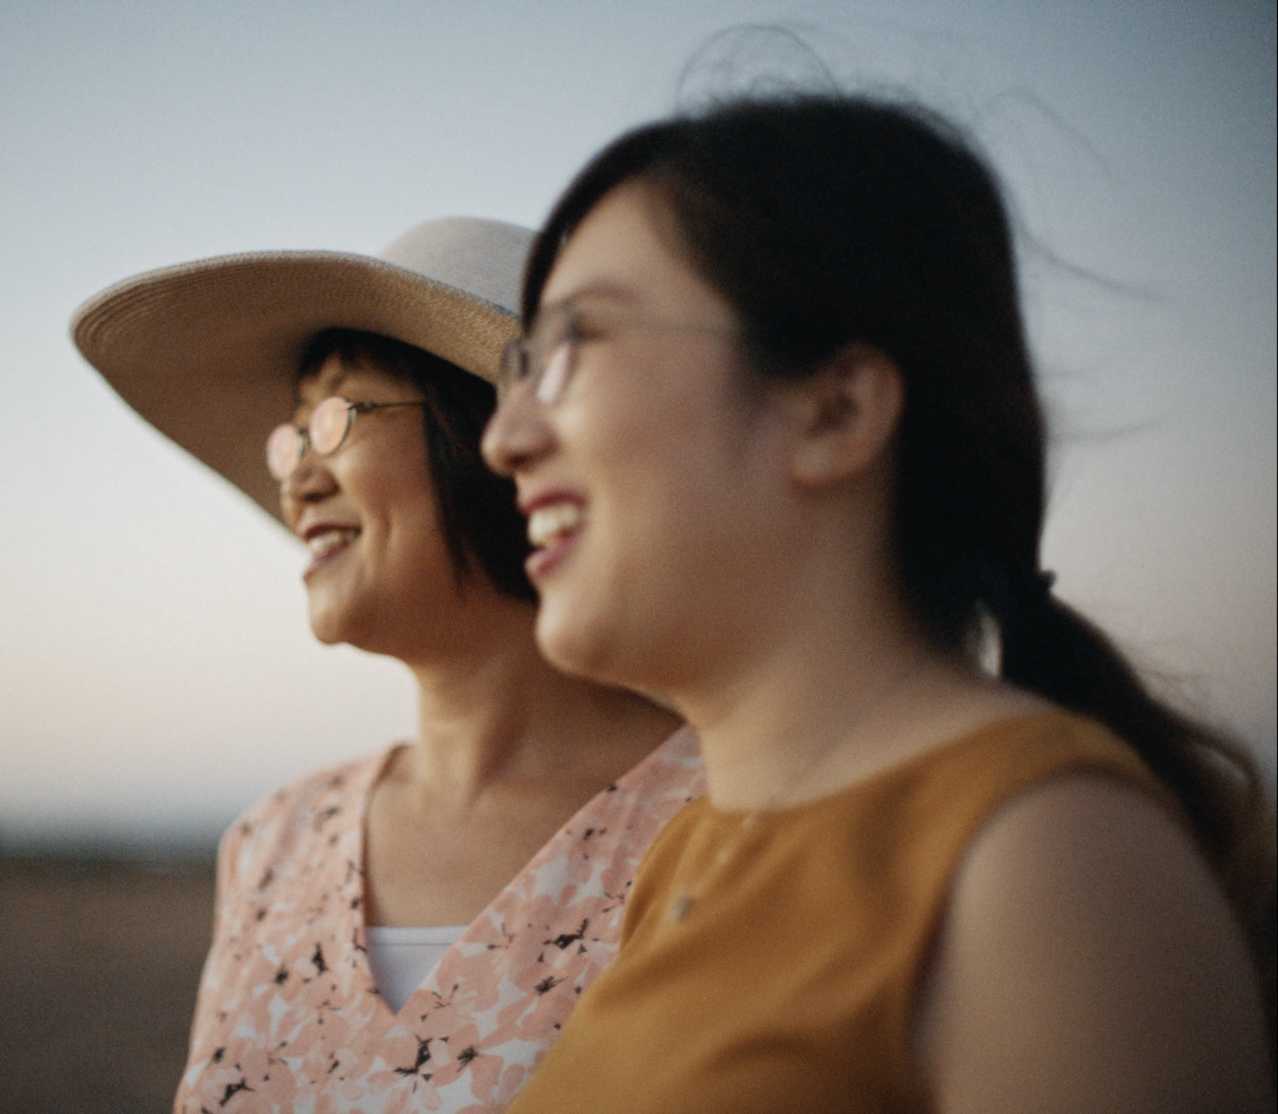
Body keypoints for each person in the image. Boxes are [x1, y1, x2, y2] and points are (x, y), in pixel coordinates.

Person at [482, 95, 1275, 1113]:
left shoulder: (1041, 859)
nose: (504, 439)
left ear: (836, 409)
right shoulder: (691, 850)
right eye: (520, 365)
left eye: (576, 343)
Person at [71, 217, 703, 1113]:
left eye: (337, 416)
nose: (295, 481)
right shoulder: (274, 843)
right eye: (291, 438)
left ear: (502, 439)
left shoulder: (726, 829)